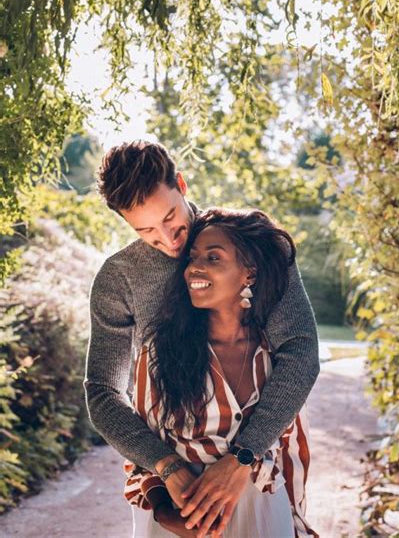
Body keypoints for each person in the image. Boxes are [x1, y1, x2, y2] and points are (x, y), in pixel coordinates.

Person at [84, 141, 319, 536]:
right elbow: (104, 392)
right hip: (173, 489)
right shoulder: (118, 279)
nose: (168, 239)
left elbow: (300, 352)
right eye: (145, 230)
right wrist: (165, 469)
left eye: (170, 217)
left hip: (257, 468)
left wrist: (244, 456)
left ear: (181, 183)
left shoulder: (251, 245)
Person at [123, 208, 318, 537]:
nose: (195, 268)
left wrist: (294, 522)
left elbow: (290, 451)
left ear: (249, 274)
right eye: (193, 257)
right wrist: (163, 513)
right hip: (183, 518)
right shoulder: (159, 350)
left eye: (213, 257)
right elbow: (142, 446)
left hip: (263, 517)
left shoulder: (276, 360)